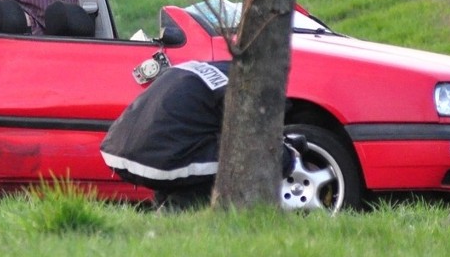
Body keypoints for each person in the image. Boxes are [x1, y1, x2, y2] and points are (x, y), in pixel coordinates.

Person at [100, 60, 302, 210]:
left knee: (198, 149)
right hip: (156, 160)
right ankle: (178, 211)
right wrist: (288, 152)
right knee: (263, 158)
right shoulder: (239, 91)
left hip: (116, 148)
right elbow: (255, 141)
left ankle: (167, 205)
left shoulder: (207, 68)